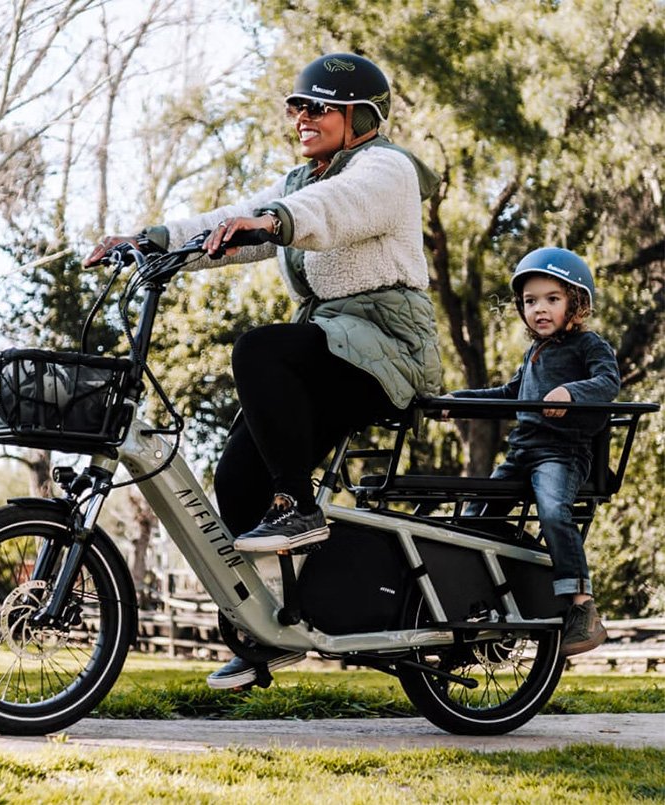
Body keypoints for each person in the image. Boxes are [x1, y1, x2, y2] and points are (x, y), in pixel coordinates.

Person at [85, 53, 442, 687]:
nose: (303, 116)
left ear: (360, 116)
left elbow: (337, 208)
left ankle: (298, 504)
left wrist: (276, 221)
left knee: (260, 349)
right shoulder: (300, 180)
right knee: (237, 478)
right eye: (297, 106)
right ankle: (273, 629)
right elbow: (231, 224)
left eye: (319, 106)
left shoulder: (387, 169)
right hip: (336, 342)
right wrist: (149, 239)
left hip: (388, 344)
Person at [446, 247, 620, 656]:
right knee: (475, 516)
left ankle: (583, 607)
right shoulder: (534, 353)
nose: (539, 309)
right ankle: (487, 597)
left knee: (554, 510)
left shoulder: (588, 345)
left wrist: (571, 392)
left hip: (561, 453)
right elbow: (510, 394)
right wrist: (459, 400)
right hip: (522, 452)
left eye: (552, 299)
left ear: (576, 303)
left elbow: (608, 381)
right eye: (530, 301)